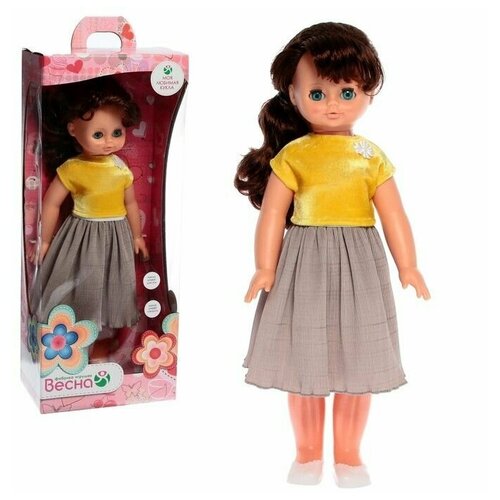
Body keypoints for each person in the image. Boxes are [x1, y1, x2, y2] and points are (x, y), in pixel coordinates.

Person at [235, 22, 430, 488]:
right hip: (303, 262)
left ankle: (348, 455)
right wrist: (264, 266)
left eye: (347, 92)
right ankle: (307, 454)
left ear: (368, 93)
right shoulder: (294, 156)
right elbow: (273, 214)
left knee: (358, 363)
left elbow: (394, 214)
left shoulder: (369, 156)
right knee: (304, 362)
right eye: (318, 94)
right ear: (293, 94)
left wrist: (408, 264)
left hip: (361, 263)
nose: (334, 104)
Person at [30, 76, 149, 360]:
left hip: (117, 236)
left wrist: (136, 236)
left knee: (110, 289)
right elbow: (51, 204)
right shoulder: (73, 168)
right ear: (73, 129)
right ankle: (74, 344)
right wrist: (44, 241)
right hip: (82, 235)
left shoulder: (120, 168)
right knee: (81, 289)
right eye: (98, 134)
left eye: (117, 132)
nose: (109, 141)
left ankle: (100, 345)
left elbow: (131, 203)